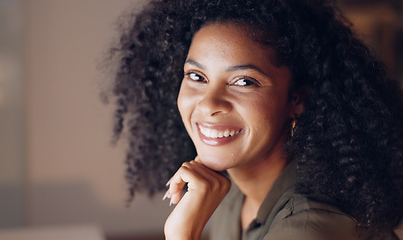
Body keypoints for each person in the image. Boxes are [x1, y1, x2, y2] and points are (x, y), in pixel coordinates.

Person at [108, 0, 403, 239]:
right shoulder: (227, 190)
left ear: (296, 100)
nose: (209, 104)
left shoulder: (311, 227)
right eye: (197, 76)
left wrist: (182, 235)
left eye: (244, 82)